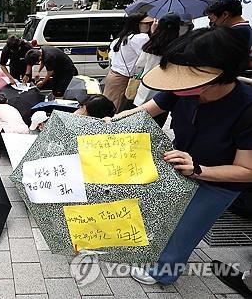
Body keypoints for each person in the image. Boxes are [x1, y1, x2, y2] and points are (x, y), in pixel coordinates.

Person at [108, 27, 252, 286]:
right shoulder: (183, 87)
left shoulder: (247, 106)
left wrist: (199, 170)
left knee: (186, 229)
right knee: (166, 215)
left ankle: (164, 273)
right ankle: (150, 253)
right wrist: (113, 120)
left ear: (218, 73)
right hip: (182, 165)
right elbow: (147, 109)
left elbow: (246, 170)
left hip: (219, 182)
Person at [133, 12, 181, 126]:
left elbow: (139, 66)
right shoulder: (178, 47)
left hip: (145, 89)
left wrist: (153, 33)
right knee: (155, 127)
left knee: (138, 125)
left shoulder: (151, 45)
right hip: (163, 94)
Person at [102, 13, 151, 112]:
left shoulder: (120, 39)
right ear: (137, 24)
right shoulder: (140, 38)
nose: (149, 26)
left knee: (108, 106)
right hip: (122, 78)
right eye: (146, 23)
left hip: (113, 76)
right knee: (114, 109)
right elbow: (149, 54)